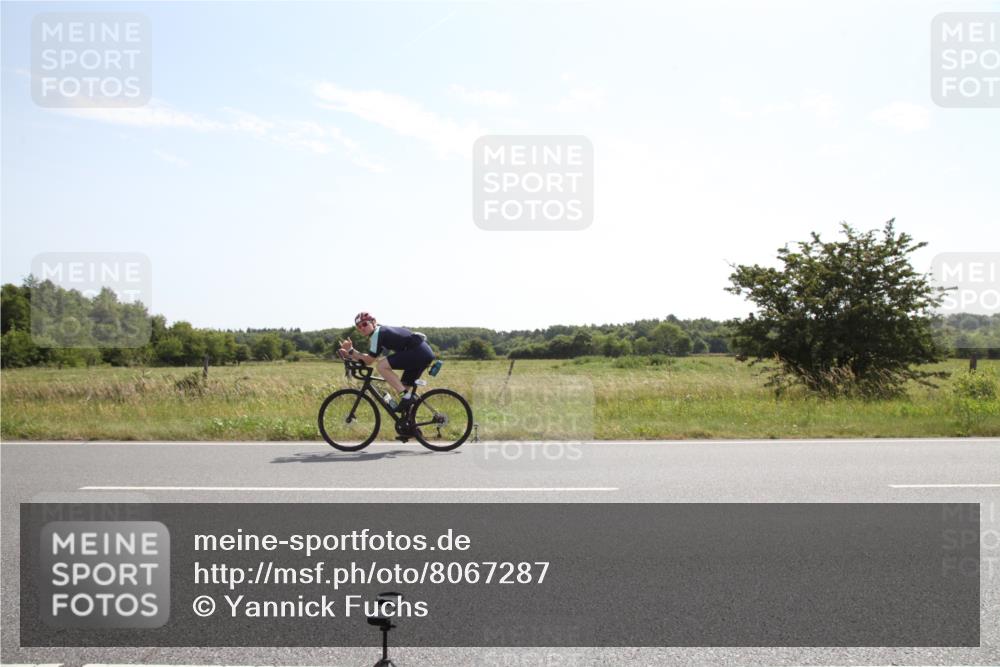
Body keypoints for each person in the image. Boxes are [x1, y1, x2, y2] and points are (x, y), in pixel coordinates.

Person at [338, 312, 435, 415]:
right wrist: (351, 355)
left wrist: (351, 351)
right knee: (403, 389)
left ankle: (407, 397)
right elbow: (370, 358)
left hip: (418, 352)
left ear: (373, 322)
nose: (362, 328)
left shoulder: (377, 333)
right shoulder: (381, 332)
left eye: (364, 324)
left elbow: (369, 361)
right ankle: (410, 423)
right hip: (421, 353)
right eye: (359, 326)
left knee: (381, 366)